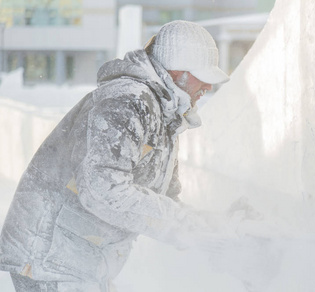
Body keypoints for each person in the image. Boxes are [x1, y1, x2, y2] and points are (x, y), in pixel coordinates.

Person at [0, 20, 230, 291]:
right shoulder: (127, 102)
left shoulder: (162, 114)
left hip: (79, 258)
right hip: (50, 257)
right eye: (202, 76)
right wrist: (184, 226)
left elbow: (166, 200)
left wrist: (214, 229)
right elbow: (102, 190)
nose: (208, 87)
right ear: (177, 70)